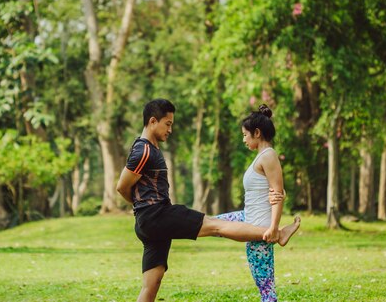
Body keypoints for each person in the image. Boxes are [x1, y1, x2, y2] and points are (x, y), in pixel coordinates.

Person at [116, 99, 300, 302]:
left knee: (151, 283)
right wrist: (143, 209)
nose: (170, 129)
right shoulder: (144, 150)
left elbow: (276, 189)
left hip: (150, 222)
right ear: (152, 121)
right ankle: (277, 234)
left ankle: (274, 232)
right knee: (216, 225)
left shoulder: (151, 148)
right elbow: (122, 187)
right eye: (167, 124)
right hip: (156, 215)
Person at [215, 104, 301, 302]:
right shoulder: (262, 157)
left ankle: (279, 233)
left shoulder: (269, 156)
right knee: (212, 224)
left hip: (260, 227)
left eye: (245, 135)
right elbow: (274, 192)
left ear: (257, 133)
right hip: (248, 217)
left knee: (266, 288)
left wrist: (272, 228)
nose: (243, 139)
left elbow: (277, 194)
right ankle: (282, 234)